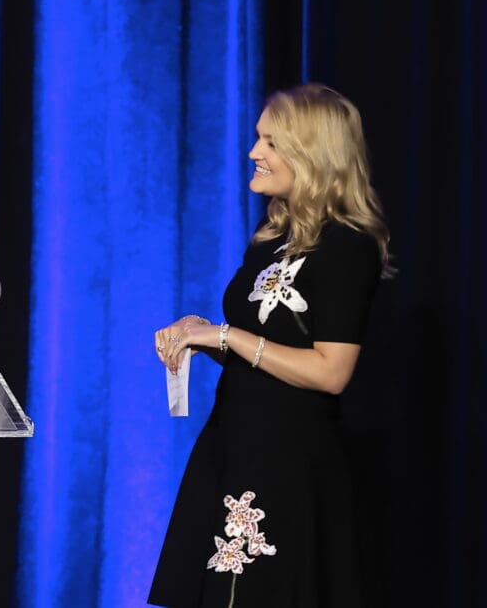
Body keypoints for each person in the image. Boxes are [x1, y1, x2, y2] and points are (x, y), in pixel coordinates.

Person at [147, 84, 391, 607]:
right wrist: (199, 334)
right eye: (259, 139)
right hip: (233, 448)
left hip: (287, 464)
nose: (254, 152)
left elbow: (331, 371)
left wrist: (228, 335)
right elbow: (271, 348)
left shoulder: (349, 247)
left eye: (271, 142)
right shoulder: (271, 237)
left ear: (312, 154)